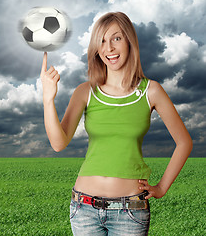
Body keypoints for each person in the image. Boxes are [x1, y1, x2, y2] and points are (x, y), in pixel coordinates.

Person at [40, 12, 192, 236]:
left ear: (129, 41)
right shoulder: (85, 91)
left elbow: (184, 142)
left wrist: (161, 188)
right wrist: (47, 98)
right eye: (101, 41)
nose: (109, 48)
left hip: (130, 211)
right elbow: (58, 143)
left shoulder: (151, 91)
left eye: (116, 38)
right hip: (84, 209)